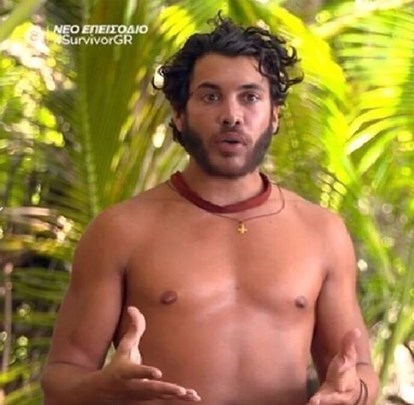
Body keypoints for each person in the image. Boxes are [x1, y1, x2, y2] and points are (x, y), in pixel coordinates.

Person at [41, 14, 379, 405]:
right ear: (179, 114)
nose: (231, 115)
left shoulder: (322, 232)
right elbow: (61, 377)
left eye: (250, 97)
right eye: (210, 96)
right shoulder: (121, 230)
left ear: (274, 115)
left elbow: (360, 371)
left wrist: (353, 392)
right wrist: (101, 388)